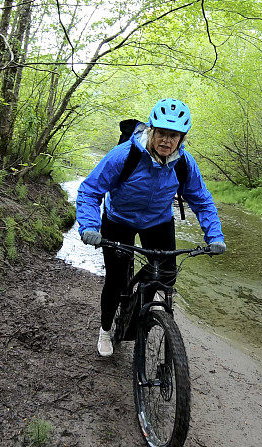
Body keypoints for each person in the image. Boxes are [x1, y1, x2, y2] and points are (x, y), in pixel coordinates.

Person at [76, 98, 226, 357]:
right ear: (151, 131)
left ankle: (139, 310)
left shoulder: (184, 163)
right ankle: (105, 329)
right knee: (115, 280)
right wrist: (90, 226)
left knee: (166, 273)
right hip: (118, 219)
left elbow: (202, 200)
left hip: (157, 221)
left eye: (174, 136)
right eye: (162, 134)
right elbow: (90, 190)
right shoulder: (125, 156)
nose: (167, 141)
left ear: (182, 139)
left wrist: (215, 235)